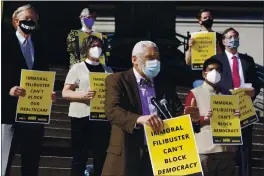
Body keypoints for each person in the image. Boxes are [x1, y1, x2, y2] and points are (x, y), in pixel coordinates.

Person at [101, 41, 185, 176]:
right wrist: (139, 119)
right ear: (135, 59)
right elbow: (112, 110)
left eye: (157, 58)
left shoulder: (164, 83)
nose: (155, 62)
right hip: (128, 150)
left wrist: (192, 117)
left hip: (160, 153)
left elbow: (177, 111)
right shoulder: (117, 79)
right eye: (150, 58)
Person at [2, 4, 56, 176]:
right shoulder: (4, 42)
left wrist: (49, 93)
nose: (31, 22)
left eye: (34, 19)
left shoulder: (41, 46)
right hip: (7, 111)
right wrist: (7, 90)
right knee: (3, 160)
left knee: (31, 161)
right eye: (27, 19)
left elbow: (44, 75)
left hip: (33, 113)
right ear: (16, 21)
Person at [209, 27, 261, 176]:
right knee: (227, 149)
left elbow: (256, 83)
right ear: (224, 41)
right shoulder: (216, 60)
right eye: (230, 37)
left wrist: (253, 92)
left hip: (245, 108)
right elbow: (211, 83)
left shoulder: (247, 60)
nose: (234, 39)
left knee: (245, 150)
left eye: (236, 36)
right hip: (225, 108)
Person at [62, 35, 113, 176]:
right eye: (93, 45)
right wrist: (82, 95)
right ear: (86, 48)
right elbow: (65, 92)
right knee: (80, 157)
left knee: (101, 157)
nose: (96, 48)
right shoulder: (77, 68)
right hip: (81, 116)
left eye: (99, 46)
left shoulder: (108, 70)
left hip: (101, 118)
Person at [184, 59, 240, 176]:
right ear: (204, 74)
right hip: (205, 150)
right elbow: (186, 121)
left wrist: (237, 117)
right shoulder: (194, 93)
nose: (214, 72)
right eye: (211, 69)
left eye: (218, 70)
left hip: (226, 150)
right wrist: (204, 118)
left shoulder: (228, 95)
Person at [185, 9, 225, 88]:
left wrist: (217, 46)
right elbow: (188, 62)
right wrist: (190, 47)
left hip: (216, 76)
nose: (208, 19)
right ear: (200, 21)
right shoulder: (193, 38)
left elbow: (223, 59)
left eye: (209, 17)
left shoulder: (219, 37)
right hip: (199, 77)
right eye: (205, 18)